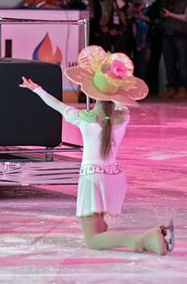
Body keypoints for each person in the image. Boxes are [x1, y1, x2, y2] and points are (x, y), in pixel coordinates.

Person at [19, 45, 174, 255]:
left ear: (93, 92)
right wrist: (114, 84)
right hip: (114, 179)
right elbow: (119, 103)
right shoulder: (122, 117)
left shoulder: (83, 119)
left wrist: (36, 88)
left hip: (93, 180)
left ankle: (145, 239)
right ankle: (144, 239)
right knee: (100, 229)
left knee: (93, 240)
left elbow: (56, 105)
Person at [161, 0, 187, 99]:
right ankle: (171, 87)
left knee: (182, 63)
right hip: (167, 32)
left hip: (181, 33)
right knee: (169, 62)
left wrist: (170, 14)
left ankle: (183, 88)